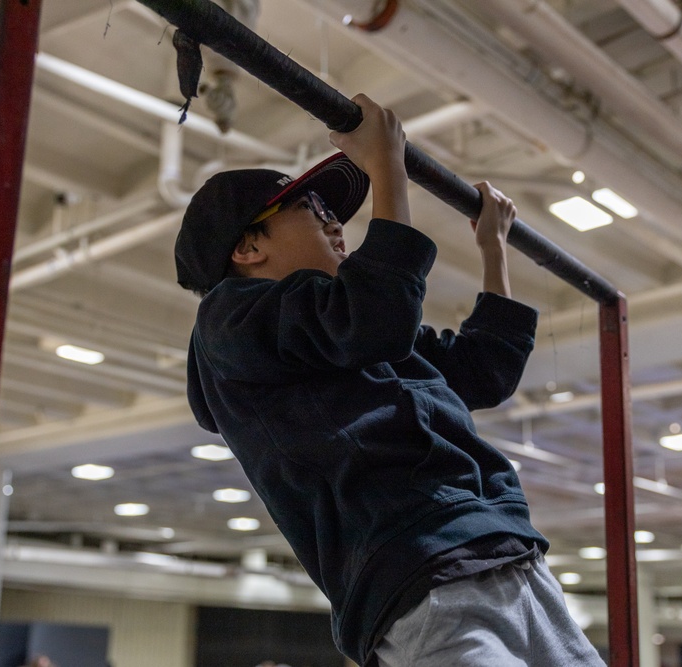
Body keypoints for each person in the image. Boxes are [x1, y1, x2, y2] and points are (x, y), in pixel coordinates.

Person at [175, 93, 605, 667]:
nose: (334, 222)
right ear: (248, 247)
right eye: (309, 208)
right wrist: (386, 168)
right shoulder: (230, 321)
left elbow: (483, 371)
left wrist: (492, 249)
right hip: (421, 579)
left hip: (509, 555)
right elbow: (375, 313)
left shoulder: (352, 331)